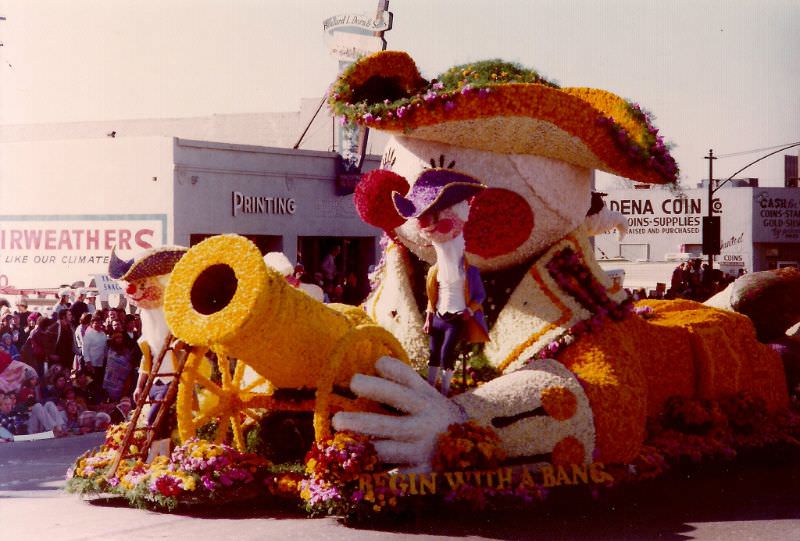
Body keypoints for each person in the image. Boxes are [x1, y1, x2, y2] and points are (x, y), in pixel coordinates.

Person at [393, 170, 490, 396]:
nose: (428, 226)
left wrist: (470, 310)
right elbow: (432, 295)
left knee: (447, 352)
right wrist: (428, 316)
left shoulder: (469, 271)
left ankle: (444, 390)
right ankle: (430, 389)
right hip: (438, 317)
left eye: (437, 216)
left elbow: (480, 296)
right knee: (434, 354)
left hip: (457, 316)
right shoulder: (435, 271)